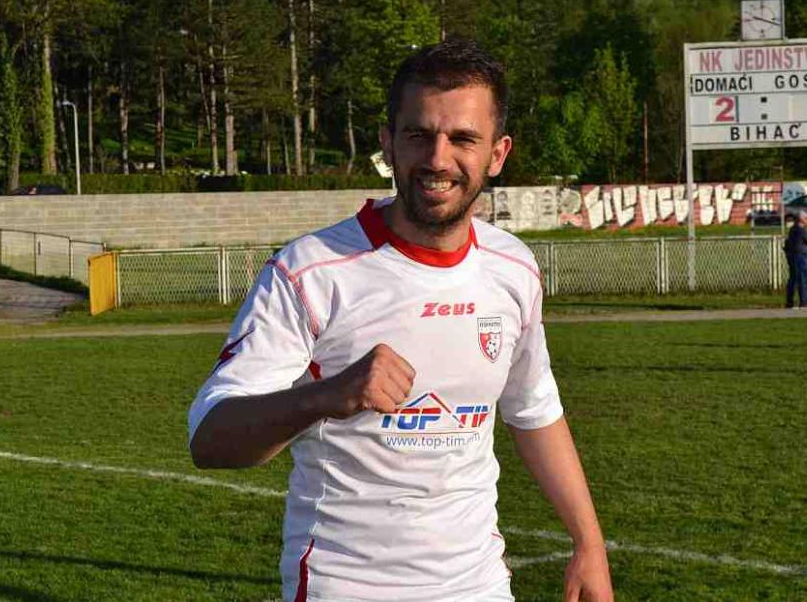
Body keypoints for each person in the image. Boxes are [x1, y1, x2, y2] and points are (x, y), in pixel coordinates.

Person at [188, 40, 613, 602]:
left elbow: (533, 408)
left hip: (479, 586)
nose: (438, 159)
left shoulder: (512, 267)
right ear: (388, 143)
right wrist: (325, 396)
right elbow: (210, 439)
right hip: (346, 589)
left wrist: (589, 543)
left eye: (463, 139)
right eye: (418, 135)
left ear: (497, 153)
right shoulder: (310, 272)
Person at [784, 211, 807, 309]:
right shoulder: (801, 230)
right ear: (801, 219)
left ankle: (789, 302)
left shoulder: (792, 229)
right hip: (800, 256)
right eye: (806, 218)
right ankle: (803, 302)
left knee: (792, 279)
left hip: (792, 256)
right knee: (802, 279)